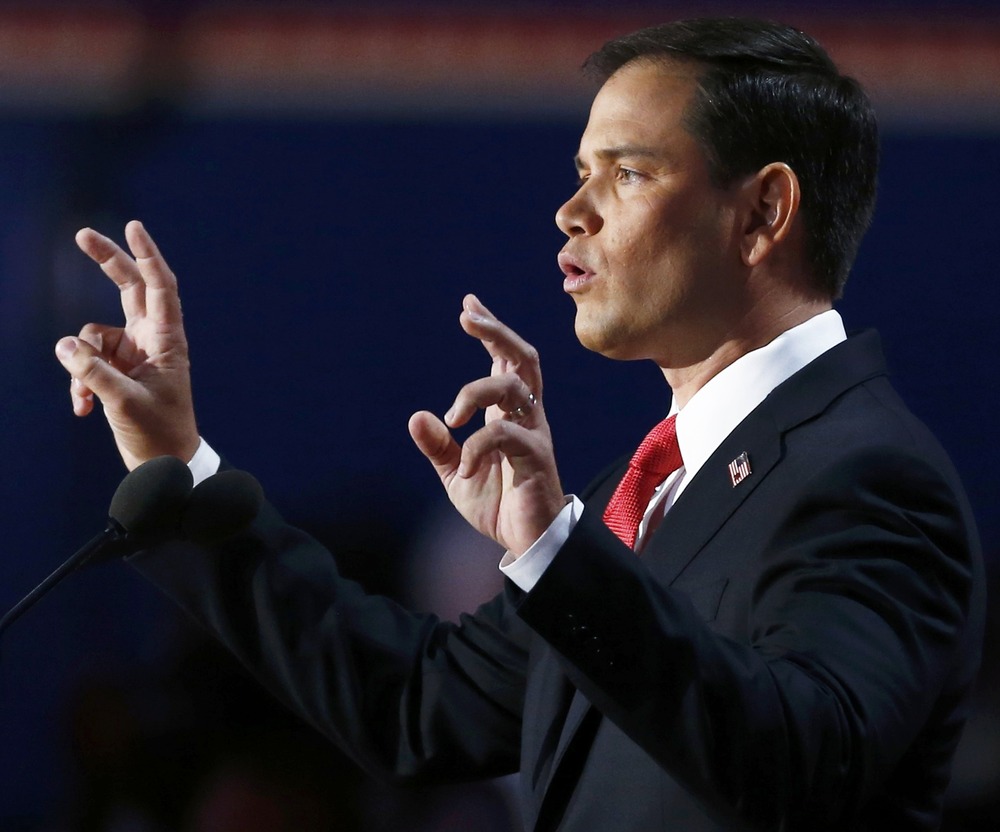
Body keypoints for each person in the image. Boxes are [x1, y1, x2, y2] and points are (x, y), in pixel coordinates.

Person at [54, 18, 984, 832]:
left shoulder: (864, 475)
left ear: (763, 212)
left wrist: (553, 553)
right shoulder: (662, 480)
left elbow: (804, 767)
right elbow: (416, 705)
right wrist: (181, 470)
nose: (571, 211)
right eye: (581, 174)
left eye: (627, 173)